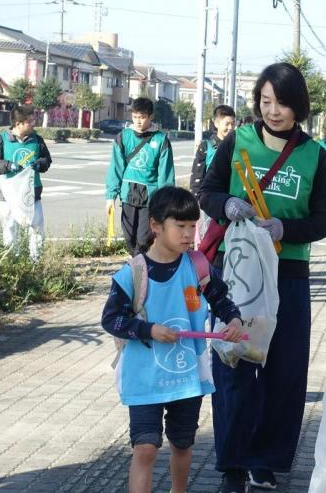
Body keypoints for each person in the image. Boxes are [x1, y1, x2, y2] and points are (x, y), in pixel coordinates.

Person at [198, 62, 326, 493]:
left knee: (285, 370)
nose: (273, 110)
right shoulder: (237, 141)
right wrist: (227, 206)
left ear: (299, 105)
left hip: (289, 274)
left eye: (282, 102)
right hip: (235, 273)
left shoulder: (314, 155)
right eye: (265, 101)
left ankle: (267, 461)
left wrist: (286, 228)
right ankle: (233, 467)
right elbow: (207, 190)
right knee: (234, 365)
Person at [101, 186, 245, 493]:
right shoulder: (133, 273)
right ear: (155, 226)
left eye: (193, 226)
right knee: (145, 448)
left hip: (186, 376)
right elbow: (111, 319)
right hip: (144, 377)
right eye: (180, 226)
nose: (188, 234)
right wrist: (147, 330)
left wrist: (233, 319)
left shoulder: (198, 266)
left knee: (182, 444)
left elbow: (221, 300)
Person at [105, 97, 175, 256]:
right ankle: (139, 265)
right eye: (135, 117)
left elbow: (166, 174)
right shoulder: (123, 137)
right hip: (128, 194)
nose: (138, 121)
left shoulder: (161, 139)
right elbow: (115, 168)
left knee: (143, 240)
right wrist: (111, 196)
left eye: (142, 117)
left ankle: (140, 272)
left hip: (150, 197)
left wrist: (166, 201)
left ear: (151, 117)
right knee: (129, 238)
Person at [0, 105, 52, 260]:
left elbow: (47, 160)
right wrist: (9, 166)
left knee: (36, 230)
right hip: (9, 194)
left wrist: (40, 164)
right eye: (30, 121)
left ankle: (35, 262)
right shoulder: (1, 139)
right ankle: (12, 262)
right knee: (10, 229)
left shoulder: (37, 140)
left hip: (32, 193)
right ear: (18, 123)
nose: (33, 124)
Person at [190, 104, 236, 197]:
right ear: (216, 123)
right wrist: (197, 200)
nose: (231, 128)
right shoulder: (206, 146)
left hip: (232, 200)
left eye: (233, 123)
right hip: (210, 200)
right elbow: (197, 178)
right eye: (227, 124)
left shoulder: (238, 146)